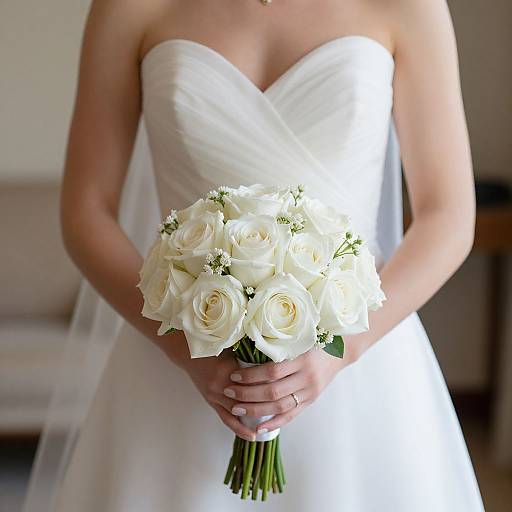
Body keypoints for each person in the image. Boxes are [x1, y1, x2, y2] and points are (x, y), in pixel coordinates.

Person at [23, 0, 485, 510]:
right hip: (180, 364)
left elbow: (448, 214)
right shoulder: (129, 7)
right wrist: (188, 351)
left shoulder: (409, 6)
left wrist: (341, 350)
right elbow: (86, 212)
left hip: (360, 362)